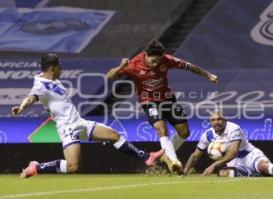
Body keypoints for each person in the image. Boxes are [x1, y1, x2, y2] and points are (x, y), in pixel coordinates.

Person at [11, 53, 164, 178]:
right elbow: (32, 97)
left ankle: (146, 157)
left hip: (79, 123)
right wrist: (22, 107)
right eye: (59, 65)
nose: (61, 68)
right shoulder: (40, 86)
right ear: (52, 67)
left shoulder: (52, 81)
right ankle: (36, 167)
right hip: (67, 128)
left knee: (113, 135)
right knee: (73, 166)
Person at [106, 40, 219, 174]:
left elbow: (189, 66)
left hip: (168, 99)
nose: (156, 64)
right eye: (153, 61)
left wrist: (208, 75)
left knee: (184, 133)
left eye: (159, 61)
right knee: (161, 128)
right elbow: (109, 76)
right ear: (146, 55)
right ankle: (174, 162)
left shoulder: (166, 59)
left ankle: (165, 155)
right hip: (149, 102)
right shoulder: (133, 65)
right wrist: (120, 67)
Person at [183, 111, 273, 177]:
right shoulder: (207, 135)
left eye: (219, 119)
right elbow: (195, 155)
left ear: (225, 120)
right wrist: (185, 170)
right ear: (210, 122)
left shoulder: (233, 128)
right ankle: (253, 175)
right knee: (223, 173)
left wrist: (213, 165)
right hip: (234, 162)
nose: (216, 122)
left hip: (249, 155)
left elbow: (233, 153)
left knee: (263, 166)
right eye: (213, 120)